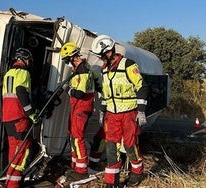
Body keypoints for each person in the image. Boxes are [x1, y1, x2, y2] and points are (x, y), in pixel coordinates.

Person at [90, 35, 148, 187]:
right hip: (112, 115)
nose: (101, 60)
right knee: (111, 147)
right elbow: (105, 93)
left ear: (109, 51)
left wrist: (141, 111)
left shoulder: (128, 65)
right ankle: (112, 183)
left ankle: (137, 172)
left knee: (130, 146)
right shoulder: (105, 71)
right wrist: (102, 111)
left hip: (129, 114)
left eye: (102, 56)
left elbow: (142, 87)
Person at [60, 42, 100, 179]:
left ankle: (82, 170)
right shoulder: (79, 69)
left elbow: (80, 93)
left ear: (73, 57)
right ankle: (76, 165)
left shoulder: (82, 70)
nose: (67, 63)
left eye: (67, 60)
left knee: (77, 138)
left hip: (81, 108)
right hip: (77, 107)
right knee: (72, 136)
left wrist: (67, 89)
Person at [2, 48, 37, 188]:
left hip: (7, 118)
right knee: (22, 152)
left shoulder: (8, 74)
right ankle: (14, 185)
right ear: (23, 58)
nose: (29, 63)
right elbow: (21, 92)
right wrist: (32, 114)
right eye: (28, 60)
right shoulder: (23, 73)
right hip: (19, 117)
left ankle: (9, 182)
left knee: (13, 152)